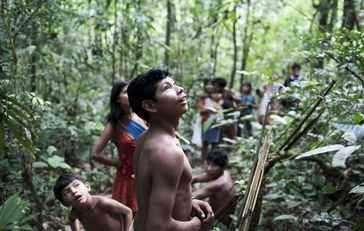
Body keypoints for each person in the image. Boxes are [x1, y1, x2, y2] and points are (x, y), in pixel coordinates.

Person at [127, 68, 214, 231]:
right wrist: (192, 225)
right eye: (167, 87)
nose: (179, 89)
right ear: (150, 105)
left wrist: (190, 202)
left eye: (174, 84)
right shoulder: (166, 150)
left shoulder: (147, 137)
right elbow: (158, 226)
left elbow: (152, 194)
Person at [91, 81, 147, 214]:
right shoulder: (115, 124)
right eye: (126, 92)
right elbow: (95, 154)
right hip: (128, 179)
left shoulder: (144, 115)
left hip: (149, 174)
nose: (131, 95)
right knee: (131, 219)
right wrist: (118, 163)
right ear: (117, 99)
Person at [53, 174, 133, 231]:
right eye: (67, 192)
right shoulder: (75, 212)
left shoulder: (102, 203)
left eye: (76, 185)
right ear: (64, 203)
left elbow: (127, 212)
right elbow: (72, 220)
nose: (74, 191)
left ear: (87, 187)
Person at [192, 150, 235, 227]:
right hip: (216, 217)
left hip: (219, 224)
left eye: (214, 165)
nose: (209, 168)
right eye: (208, 163)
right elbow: (194, 179)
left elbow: (191, 196)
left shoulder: (219, 183)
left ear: (223, 167)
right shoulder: (223, 173)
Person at [192, 78, 222, 161]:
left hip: (216, 122)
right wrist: (209, 109)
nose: (209, 86)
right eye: (207, 84)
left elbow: (219, 108)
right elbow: (201, 109)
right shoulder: (202, 97)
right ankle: (203, 161)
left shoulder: (218, 96)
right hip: (205, 121)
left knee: (214, 143)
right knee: (204, 142)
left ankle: (214, 161)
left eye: (211, 84)